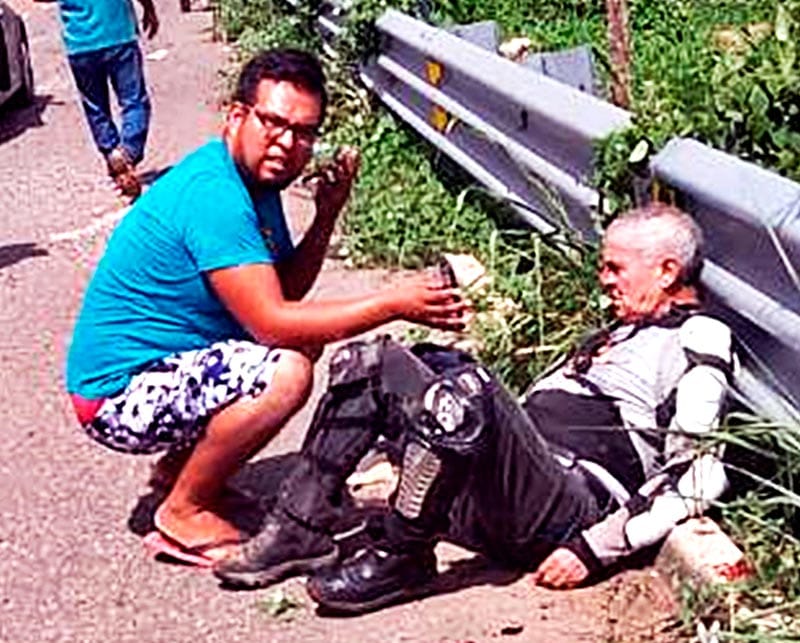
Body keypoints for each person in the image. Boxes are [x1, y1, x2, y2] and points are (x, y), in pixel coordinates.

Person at [213, 203, 735, 614]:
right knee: (373, 359)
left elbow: (699, 470)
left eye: (615, 267)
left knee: (468, 389)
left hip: (566, 506)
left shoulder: (699, 335)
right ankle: (298, 524)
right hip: (506, 488)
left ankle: (402, 556)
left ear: (668, 271)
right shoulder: (618, 331)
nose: (604, 279)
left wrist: (596, 547)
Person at [65, 49, 468, 566]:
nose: (287, 143)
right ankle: (182, 511)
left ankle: (179, 471)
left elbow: (284, 294)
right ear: (237, 116)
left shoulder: (256, 181)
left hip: (158, 371)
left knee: (303, 340)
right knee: (287, 371)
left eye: (304, 132)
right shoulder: (214, 194)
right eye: (273, 123)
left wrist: (327, 216)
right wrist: (394, 303)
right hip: (115, 396)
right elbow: (271, 322)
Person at [56, 0, 159, 198]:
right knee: (134, 101)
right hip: (118, 33)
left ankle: (112, 151)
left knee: (95, 107)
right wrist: (149, 8)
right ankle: (128, 153)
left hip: (80, 42)